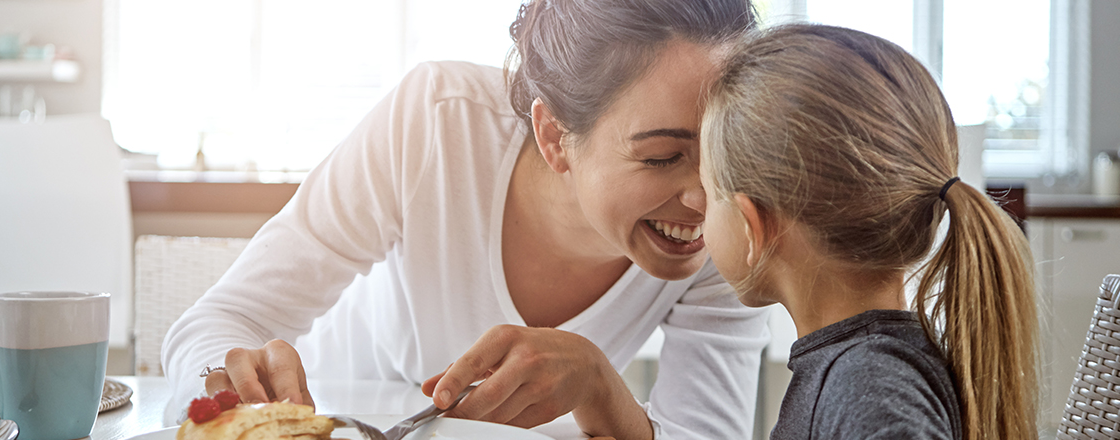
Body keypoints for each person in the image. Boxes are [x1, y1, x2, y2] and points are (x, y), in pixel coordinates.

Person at [163, 1, 769, 438]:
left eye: (725, 149)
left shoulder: (739, 218)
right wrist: (226, 383)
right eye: (663, 156)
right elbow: (221, 319)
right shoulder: (435, 124)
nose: (706, 196)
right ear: (554, 135)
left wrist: (599, 384)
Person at [697, 24, 1038, 440]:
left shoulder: (867, 386)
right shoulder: (865, 369)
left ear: (755, 223)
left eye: (709, 190)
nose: (697, 209)